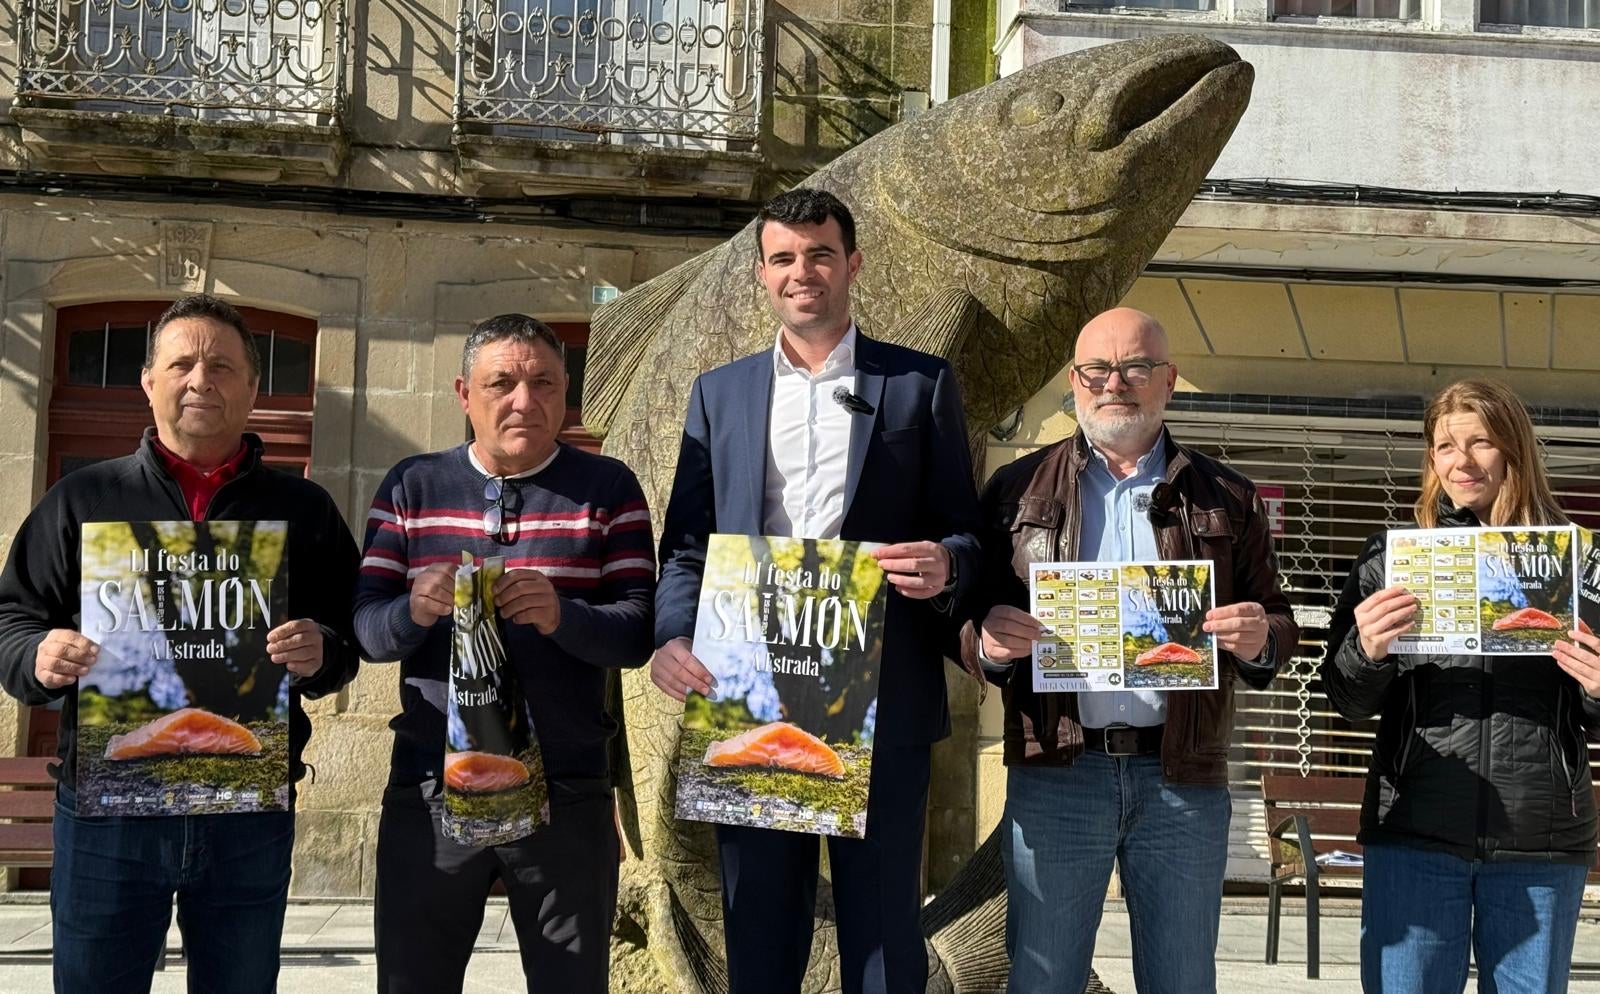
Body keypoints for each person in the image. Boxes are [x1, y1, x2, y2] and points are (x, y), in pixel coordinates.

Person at [649, 187, 983, 994]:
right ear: (762, 275)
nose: (804, 272)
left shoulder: (918, 385)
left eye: (821, 254)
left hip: (883, 687)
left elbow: (968, 532)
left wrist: (947, 563)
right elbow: (689, 543)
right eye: (785, 258)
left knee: (882, 935)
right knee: (759, 927)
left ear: (852, 264)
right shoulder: (717, 394)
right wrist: (670, 634)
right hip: (753, 686)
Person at [0, 293, 362, 994]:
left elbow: (352, 634)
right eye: (183, 363)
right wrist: (37, 657)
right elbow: (11, 619)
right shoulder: (82, 499)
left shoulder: (304, 510)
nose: (202, 379)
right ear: (149, 380)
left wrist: (323, 650)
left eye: (223, 366)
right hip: (110, 815)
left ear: (253, 388)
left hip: (246, 817)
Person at [965, 307, 1297, 994]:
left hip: (1180, 775)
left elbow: (1278, 618)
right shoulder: (1015, 491)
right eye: (1097, 369)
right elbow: (970, 623)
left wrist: (1262, 638)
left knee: (1180, 979)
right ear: (1075, 381)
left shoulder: (1228, 496)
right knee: (1041, 977)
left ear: (1168, 381)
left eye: (1136, 367)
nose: (1115, 383)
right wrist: (989, 642)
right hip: (1058, 768)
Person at [354, 313, 655, 994]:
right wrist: (413, 610)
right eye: (502, 383)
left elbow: (637, 634)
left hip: (568, 794)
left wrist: (563, 616)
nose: (524, 400)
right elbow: (368, 631)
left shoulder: (609, 490)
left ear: (566, 390)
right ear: (464, 394)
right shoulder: (411, 486)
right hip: (432, 787)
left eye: (543, 382)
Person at [1320, 378, 1600, 994]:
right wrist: (1367, 651)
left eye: (1481, 443)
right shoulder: (1387, 559)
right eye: (1445, 446)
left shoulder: (1579, 562)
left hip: (1540, 840)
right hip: (1415, 830)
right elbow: (1343, 703)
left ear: (1516, 452)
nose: (1462, 462)